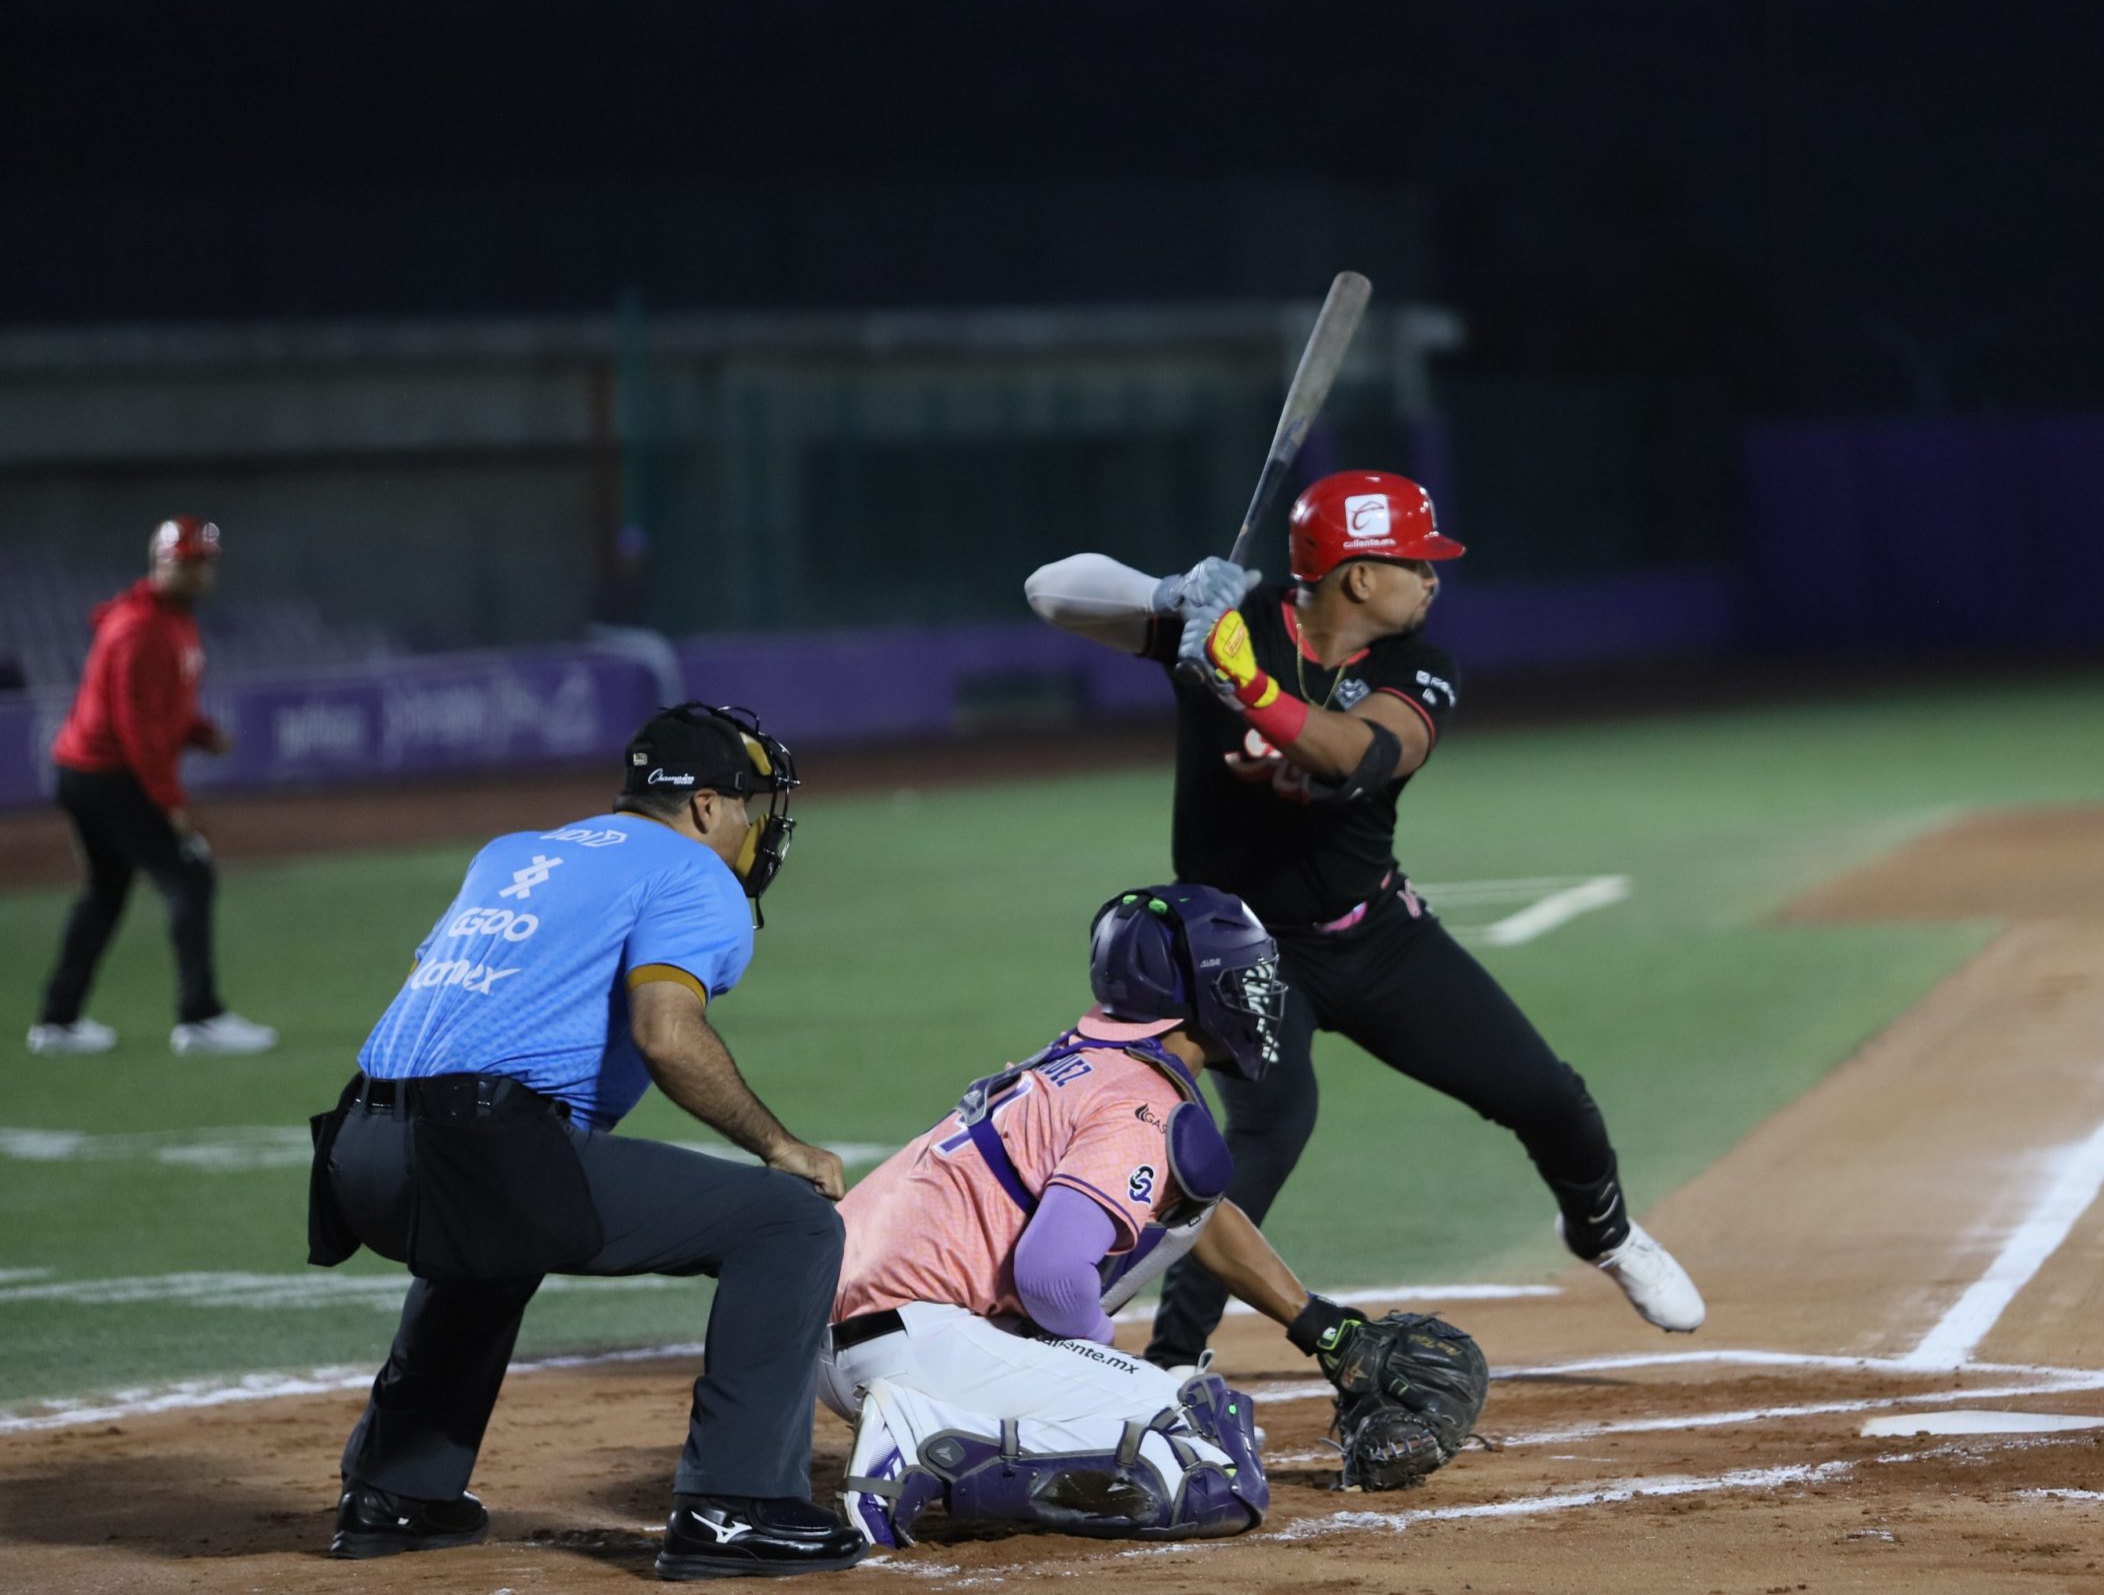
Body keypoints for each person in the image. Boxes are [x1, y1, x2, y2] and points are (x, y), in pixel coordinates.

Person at [1024, 471, 1704, 1375]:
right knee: (1266, 1132)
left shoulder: (1416, 665)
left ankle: (1603, 1231)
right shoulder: (1229, 621)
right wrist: (1170, 595)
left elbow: (1362, 753)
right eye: (1416, 562)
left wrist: (1245, 683)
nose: (1432, 579)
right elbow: (1048, 589)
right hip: (1242, 956)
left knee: (1547, 1095)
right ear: (1358, 575)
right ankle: (1173, 1358)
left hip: (1377, 935)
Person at [307, 702, 869, 1580]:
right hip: (476, 1149)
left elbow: (441, 996)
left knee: (492, 1235)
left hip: (355, 1150)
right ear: (706, 806)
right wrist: (779, 1144)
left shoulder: (512, 854)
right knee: (788, 1224)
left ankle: (396, 1490)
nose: (756, 828)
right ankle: (736, 1506)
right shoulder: (694, 870)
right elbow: (665, 1034)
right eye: (749, 805)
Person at [822, 883, 1446, 1548]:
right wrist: (1096, 1359)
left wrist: (1318, 1324)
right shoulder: (1141, 1101)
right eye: (1243, 979)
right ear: (1200, 994)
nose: (1259, 995)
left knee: (1172, 1377)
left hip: (846, 1339)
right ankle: (922, 1439)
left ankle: (951, 1427)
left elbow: (1193, 1215)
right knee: (1212, 1462)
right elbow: (1052, 1275)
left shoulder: (1085, 1060)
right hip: (919, 1343)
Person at [31, 516, 275, 1056]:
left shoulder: (170, 620)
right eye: (189, 562)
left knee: (106, 891)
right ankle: (200, 1018)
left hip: (90, 771)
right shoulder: (140, 628)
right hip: (107, 773)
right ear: (163, 563)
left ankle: (58, 1021)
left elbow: (162, 707)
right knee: (190, 876)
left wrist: (198, 732)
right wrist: (171, 803)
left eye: (206, 561)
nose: (201, 572)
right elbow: (135, 726)